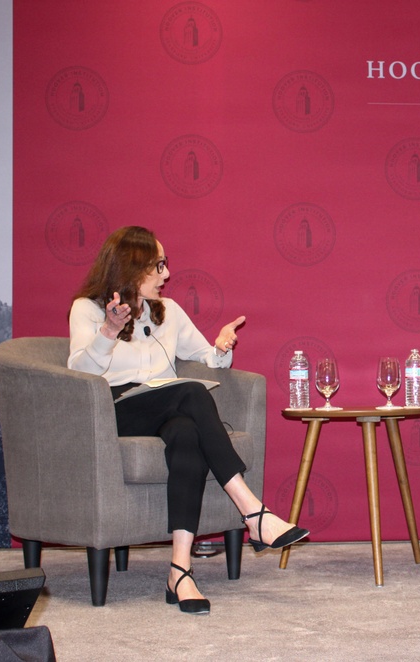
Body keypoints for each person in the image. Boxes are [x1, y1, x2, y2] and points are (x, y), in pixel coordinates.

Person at [68, 226, 308, 615]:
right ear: (132, 267)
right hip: (116, 407)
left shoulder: (169, 312)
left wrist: (221, 346)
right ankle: (252, 510)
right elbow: (78, 371)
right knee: (191, 392)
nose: (166, 274)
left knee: (187, 433)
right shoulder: (89, 308)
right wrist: (108, 332)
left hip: (166, 406)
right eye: (158, 265)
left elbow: (207, 358)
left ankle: (180, 571)